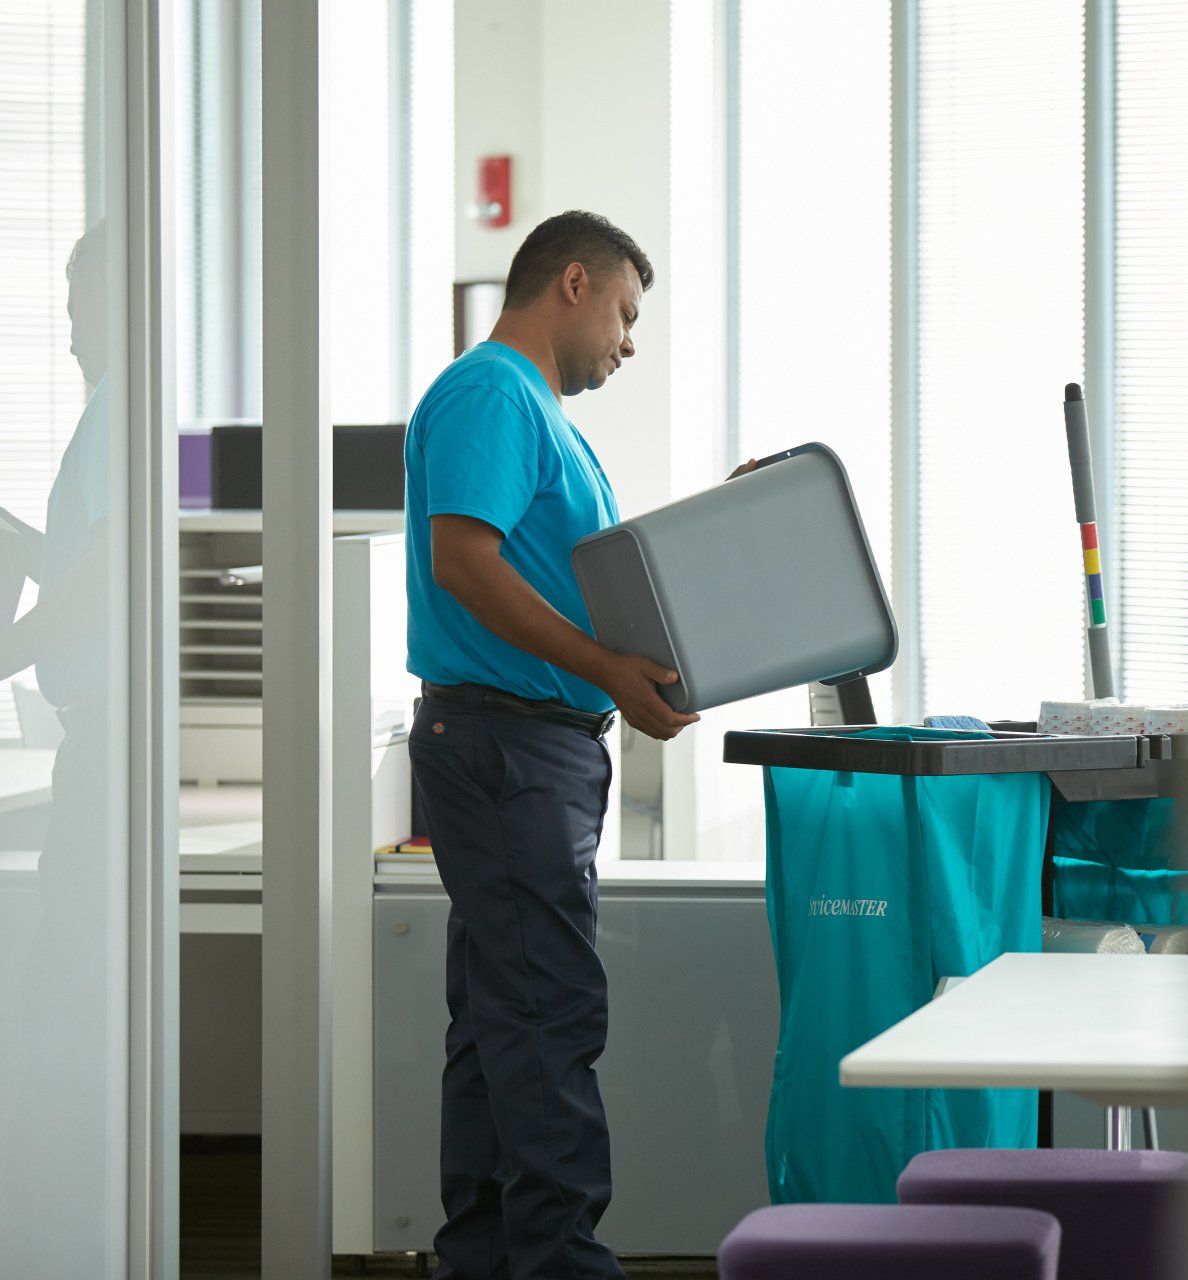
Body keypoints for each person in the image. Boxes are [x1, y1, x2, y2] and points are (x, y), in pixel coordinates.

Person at [405, 210, 736, 1279]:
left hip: (527, 748)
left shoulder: (535, 412)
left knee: (499, 1018)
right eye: (627, 316)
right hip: (508, 746)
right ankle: (559, 1266)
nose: (629, 344)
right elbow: (465, 561)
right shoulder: (494, 392)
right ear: (576, 283)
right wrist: (604, 667)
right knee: (546, 1011)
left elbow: (562, 576)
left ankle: (487, 1259)